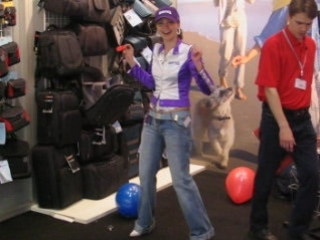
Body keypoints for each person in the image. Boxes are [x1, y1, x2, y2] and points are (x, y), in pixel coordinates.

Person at [122, 6, 215, 240]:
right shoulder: (156, 50)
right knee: (145, 174)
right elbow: (152, 83)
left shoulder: (188, 52)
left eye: (170, 23)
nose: (165, 27)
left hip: (176, 123)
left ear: (178, 24)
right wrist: (132, 62)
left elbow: (209, 89)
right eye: (161, 23)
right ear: (156, 26)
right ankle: (144, 222)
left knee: (181, 180)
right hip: (152, 120)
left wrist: (200, 66)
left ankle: (202, 231)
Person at [246, 0, 319, 240]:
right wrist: (283, 127)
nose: (303, 29)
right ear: (289, 17)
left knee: (312, 174)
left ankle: (297, 230)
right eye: (299, 23)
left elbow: (305, 82)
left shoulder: (310, 44)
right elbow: (269, 88)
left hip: (302, 118)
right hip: (276, 118)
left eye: (308, 24)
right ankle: (257, 228)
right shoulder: (273, 44)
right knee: (266, 175)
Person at [214, 0, 255, 100]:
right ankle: (222, 77)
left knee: (240, 54)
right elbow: (216, 3)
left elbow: (252, 1)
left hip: (240, 18)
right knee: (225, 54)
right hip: (226, 19)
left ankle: (238, 87)